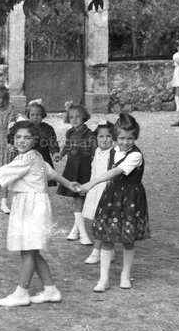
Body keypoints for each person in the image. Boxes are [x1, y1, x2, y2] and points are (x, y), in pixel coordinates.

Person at [0, 121, 81, 307]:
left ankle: (21, 293)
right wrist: (69, 183)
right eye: (18, 137)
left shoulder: (26, 159)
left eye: (27, 137)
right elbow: (52, 174)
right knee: (30, 250)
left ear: (34, 140)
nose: (22, 141)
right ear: (13, 139)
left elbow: (1, 173)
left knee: (29, 251)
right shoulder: (36, 156)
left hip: (31, 206)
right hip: (31, 205)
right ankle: (51, 290)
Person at [79, 113, 150, 292]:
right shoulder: (112, 151)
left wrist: (91, 184)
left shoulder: (136, 156)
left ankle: (125, 275)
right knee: (106, 237)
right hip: (111, 196)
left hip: (130, 198)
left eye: (130, 138)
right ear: (115, 137)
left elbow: (114, 172)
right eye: (121, 138)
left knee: (127, 239)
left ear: (135, 137)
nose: (125, 142)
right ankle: (103, 279)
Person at [54, 102, 95, 244]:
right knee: (76, 198)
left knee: (81, 198)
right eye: (71, 117)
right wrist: (61, 154)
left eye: (78, 116)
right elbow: (67, 145)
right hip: (72, 167)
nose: (75, 119)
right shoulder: (70, 132)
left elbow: (94, 152)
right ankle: (78, 231)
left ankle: (79, 231)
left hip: (84, 168)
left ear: (84, 117)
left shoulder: (89, 134)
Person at [81, 122, 114, 265]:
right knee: (101, 222)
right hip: (95, 190)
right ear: (96, 138)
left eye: (108, 136)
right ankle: (110, 251)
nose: (105, 139)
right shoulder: (97, 152)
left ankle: (96, 252)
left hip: (107, 192)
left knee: (103, 222)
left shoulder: (114, 153)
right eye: (101, 136)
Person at [24, 99, 59, 170]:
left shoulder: (48, 129)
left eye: (38, 115)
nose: (35, 117)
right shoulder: (25, 128)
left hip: (44, 158)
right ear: (28, 115)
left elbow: (52, 142)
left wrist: (55, 152)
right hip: (29, 159)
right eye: (32, 115)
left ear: (42, 115)